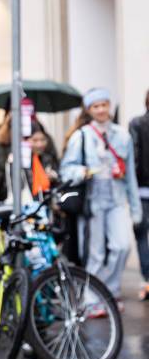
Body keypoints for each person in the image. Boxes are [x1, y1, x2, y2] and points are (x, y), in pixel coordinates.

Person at [60, 88, 142, 314]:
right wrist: (84, 171)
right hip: (92, 201)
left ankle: (109, 291)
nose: (101, 110)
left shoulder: (122, 136)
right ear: (89, 109)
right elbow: (66, 169)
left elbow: (131, 176)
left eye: (104, 104)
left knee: (122, 246)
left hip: (116, 198)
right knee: (94, 253)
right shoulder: (82, 135)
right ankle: (92, 300)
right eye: (96, 106)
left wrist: (135, 209)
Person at [129, 90, 149, 301]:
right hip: (142, 189)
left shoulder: (136, 123)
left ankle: (148, 280)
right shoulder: (136, 124)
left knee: (142, 235)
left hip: (142, 189)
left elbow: (133, 158)